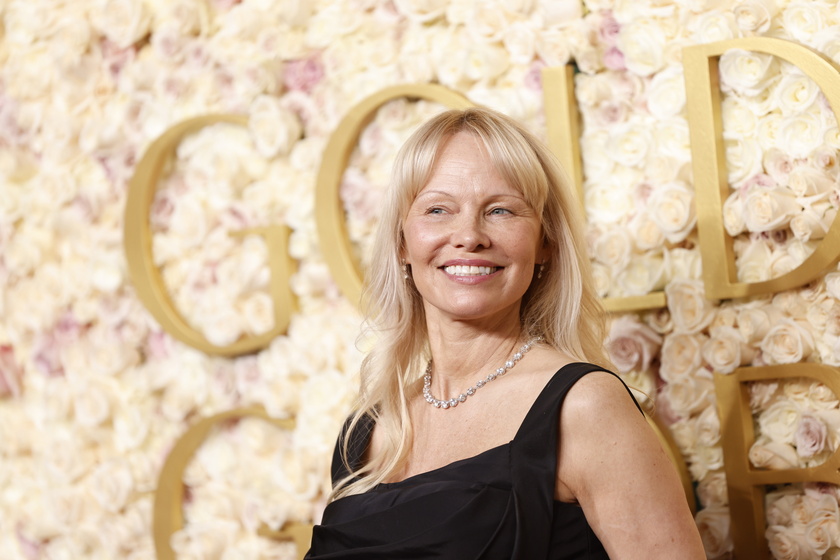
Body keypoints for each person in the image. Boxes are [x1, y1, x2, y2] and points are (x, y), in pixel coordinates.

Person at [305, 107, 705, 559]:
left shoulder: (584, 406)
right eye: (438, 209)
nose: (469, 236)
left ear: (545, 244)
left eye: (500, 210)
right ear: (402, 242)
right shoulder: (367, 430)